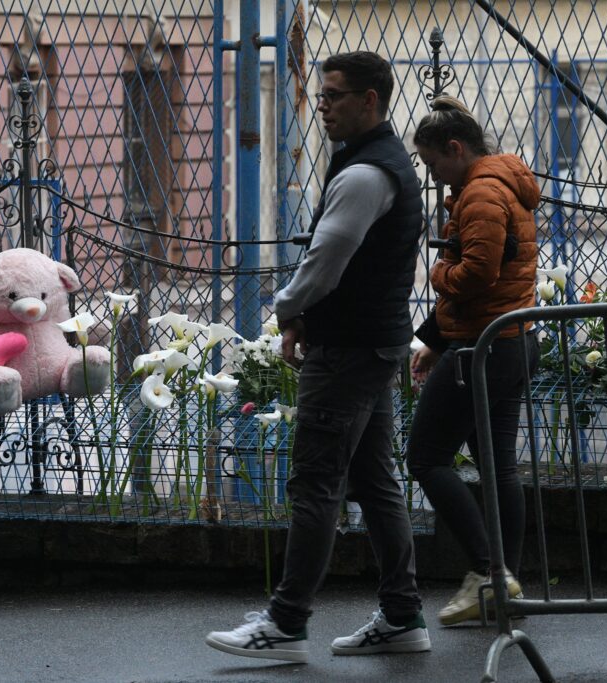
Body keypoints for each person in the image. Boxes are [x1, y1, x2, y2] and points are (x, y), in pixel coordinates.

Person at [204, 51, 429, 664]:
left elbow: (328, 255)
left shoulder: (365, 173)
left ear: (370, 100)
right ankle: (402, 615)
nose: (321, 105)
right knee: (374, 481)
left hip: (349, 350)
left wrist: (286, 305)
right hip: (372, 342)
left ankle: (286, 622)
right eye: (321, 94)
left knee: (315, 482)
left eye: (333, 95)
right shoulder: (377, 161)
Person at [406, 95, 540, 626]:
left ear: (455, 148)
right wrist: (437, 338)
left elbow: (476, 275)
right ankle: (502, 582)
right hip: (507, 339)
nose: (432, 174)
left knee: (426, 458)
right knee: (497, 464)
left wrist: (438, 271)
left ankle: (489, 572)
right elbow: (494, 283)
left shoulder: (482, 192)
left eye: (433, 162)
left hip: (482, 349)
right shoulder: (499, 183)